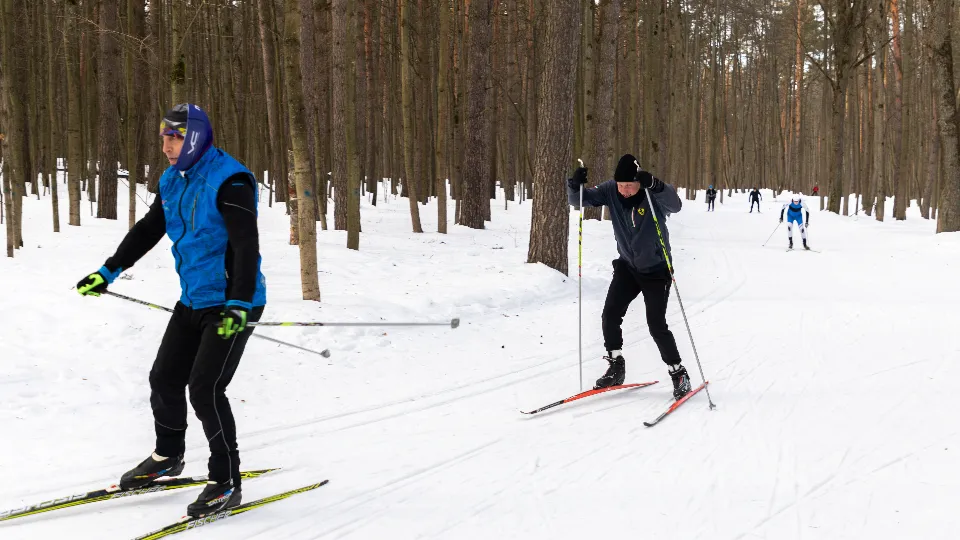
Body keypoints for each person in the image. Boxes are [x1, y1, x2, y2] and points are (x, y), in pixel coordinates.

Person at [76, 103, 267, 517]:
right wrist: (108, 270)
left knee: (206, 389)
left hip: (233, 302)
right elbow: (149, 228)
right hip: (194, 299)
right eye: (164, 137)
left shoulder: (231, 180)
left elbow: (244, 245)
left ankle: (226, 481)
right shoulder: (172, 180)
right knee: (164, 378)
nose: (166, 146)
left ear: (195, 138)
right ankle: (167, 456)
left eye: (175, 138)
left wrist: (239, 302)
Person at [567, 154, 692, 401]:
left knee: (656, 324)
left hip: (656, 270)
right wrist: (574, 184)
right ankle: (616, 366)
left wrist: (656, 185)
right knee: (610, 315)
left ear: (638, 182)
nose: (624, 190)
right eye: (621, 185)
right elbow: (578, 201)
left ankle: (678, 373)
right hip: (627, 267)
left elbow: (675, 205)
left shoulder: (651, 193)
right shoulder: (610, 190)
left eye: (629, 185)